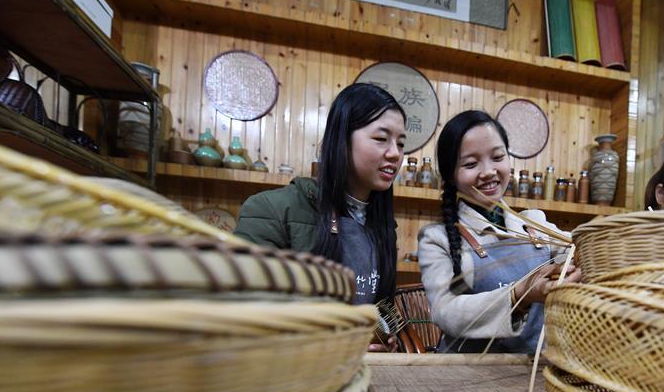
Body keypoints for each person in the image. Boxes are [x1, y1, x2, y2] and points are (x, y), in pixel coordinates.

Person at [418, 110, 581, 354]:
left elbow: (580, 251)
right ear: (450, 175)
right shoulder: (437, 238)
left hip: (530, 374)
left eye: (497, 157)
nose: (488, 171)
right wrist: (519, 294)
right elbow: (446, 311)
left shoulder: (534, 224)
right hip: (464, 376)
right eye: (471, 164)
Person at [235, 83, 406, 306]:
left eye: (401, 143)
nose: (395, 153)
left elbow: (381, 308)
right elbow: (246, 305)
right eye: (381, 139)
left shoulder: (383, 226)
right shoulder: (272, 210)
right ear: (342, 141)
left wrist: (382, 337)